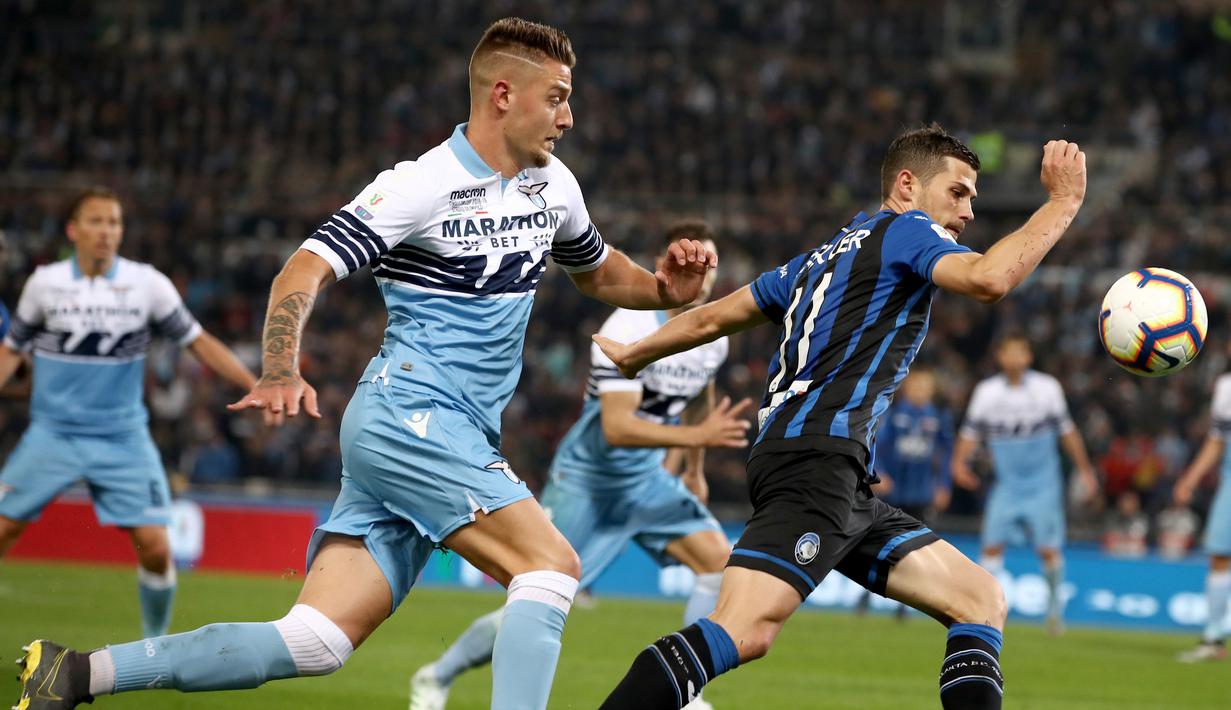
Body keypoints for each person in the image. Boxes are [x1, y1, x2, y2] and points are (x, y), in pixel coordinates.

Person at [14, 18, 718, 710]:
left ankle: (76, 674)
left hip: (452, 432)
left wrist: (664, 291)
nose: (568, 116)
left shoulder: (552, 185)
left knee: (313, 641)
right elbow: (303, 268)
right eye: (557, 96)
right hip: (408, 416)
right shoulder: (419, 184)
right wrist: (280, 365)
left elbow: (595, 272)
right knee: (549, 566)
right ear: (503, 94)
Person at [593, 125, 1088, 710]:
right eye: (958, 193)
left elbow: (710, 318)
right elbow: (988, 279)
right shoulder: (906, 230)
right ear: (907, 185)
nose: (969, 211)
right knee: (742, 629)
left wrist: (635, 352)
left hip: (831, 472)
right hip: (815, 464)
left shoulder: (814, 261)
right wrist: (1063, 202)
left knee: (979, 599)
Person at [410, 222, 750, 710]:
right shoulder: (626, 327)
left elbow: (698, 400)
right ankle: (436, 676)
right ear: (667, 263)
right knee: (539, 599)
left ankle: (685, 691)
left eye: (711, 264)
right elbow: (617, 427)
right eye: (697, 261)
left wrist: (693, 466)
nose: (706, 275)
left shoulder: (713, 336)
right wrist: (695, 438)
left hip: (645, 481)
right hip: (586, 484)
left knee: (719, 565)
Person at [0, 187, 257, 639]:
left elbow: (199, 341)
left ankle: (153, 647)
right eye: (96, 221)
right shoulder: (44, 285)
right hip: (52, 434)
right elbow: (10, 351)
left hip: (122, 438)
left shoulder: (146, 285)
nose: (106, 231)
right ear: (73, 230)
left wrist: (255, 385)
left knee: (157, 548)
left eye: (114, 222)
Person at [951, 334, 1099, 635]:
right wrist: (958, 463)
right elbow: (970, 433)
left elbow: (1067, 432)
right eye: (1009, 352)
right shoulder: (987, 392)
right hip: (1006, 484)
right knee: (991, 546)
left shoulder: (1047, 389)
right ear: (1000, 356)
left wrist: (1085, 469)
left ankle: (1055, 611)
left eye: (1021, 352)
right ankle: (984, 609)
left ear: (1029, 356)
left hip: (1043, 484)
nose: (1015, 358)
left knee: (1049, 549)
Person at [858, 367, 954, 618]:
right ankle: (866, 594)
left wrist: (943, 484)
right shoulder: (893, 414)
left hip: (921, 492)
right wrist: (879, 472)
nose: (921, 391)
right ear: (907, 388)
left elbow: (945, 455)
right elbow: (875, 442)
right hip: (894, 488)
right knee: (879, 541)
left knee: (915, 549)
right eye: (916, 386)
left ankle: (906, 603)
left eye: (925, 387)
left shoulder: (938, 417)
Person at [1173, 372, 1231, 662]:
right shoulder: (1225, 387)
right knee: (1219, 556)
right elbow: (1217, 440)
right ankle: (1213, 638)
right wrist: (1190, 479)